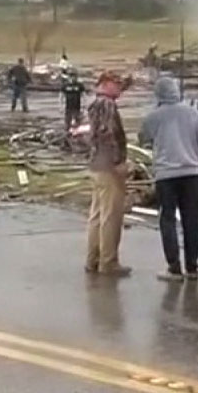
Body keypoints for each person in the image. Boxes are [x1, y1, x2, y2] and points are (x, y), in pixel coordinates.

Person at [139, 75, 198, 280]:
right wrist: (195, 158)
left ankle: (174, 266)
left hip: (165, 174)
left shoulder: (154, 116)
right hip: (192, 173)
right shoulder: (193, 113)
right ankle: (192, 266)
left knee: (168, 218)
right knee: (191, 219)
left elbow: (144, 138)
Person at [83, 71, 130, 276]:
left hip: (95, 164)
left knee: (97, 215)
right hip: (108, 165)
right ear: (106, 84)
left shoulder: (94, 104)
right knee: (111, 216)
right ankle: (108, 261)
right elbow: (108, 134)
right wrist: (118, 161)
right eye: (117, 84)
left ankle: (92, 259)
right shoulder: (108, 105)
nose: (120, 89)